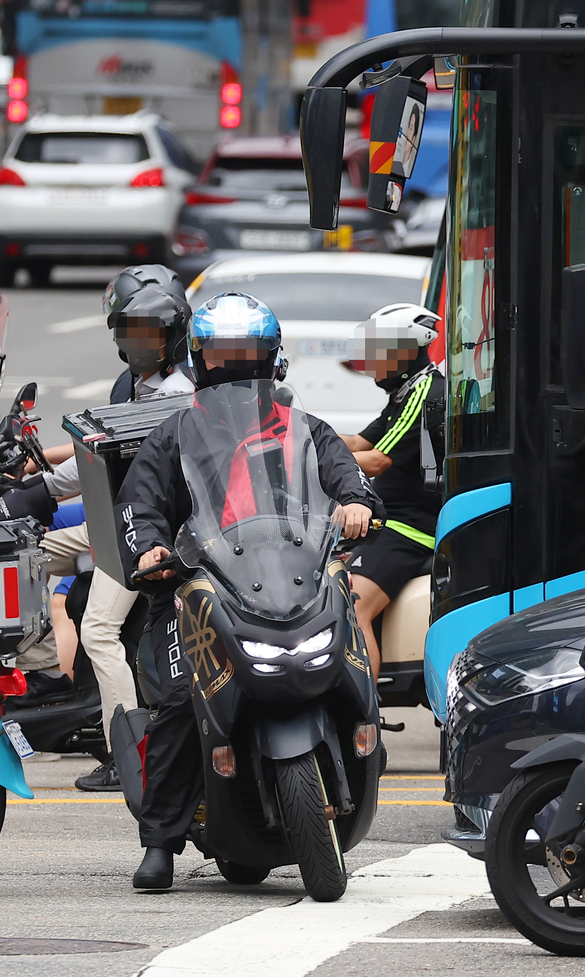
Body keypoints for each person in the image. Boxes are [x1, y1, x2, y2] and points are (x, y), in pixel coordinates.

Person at [116, 293, 381, 891]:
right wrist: (150, 551)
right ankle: (159, 840)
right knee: (183, 699)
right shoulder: (176, 432)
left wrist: (359, 504)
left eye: (247, 353)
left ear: (271, 357)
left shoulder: (303, 428)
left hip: (295, 574)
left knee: (349, 663)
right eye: (222, 353)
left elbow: (346, 476)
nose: (235, 364)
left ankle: (360, 754)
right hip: (197, 584)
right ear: (200, 357)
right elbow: (139, 504)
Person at [12, 264, 196, 790]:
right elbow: (99, 455)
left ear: (174, 332)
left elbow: (130, 470)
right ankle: (46, 672)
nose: (138, 345)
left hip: (146, 533)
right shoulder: (132, 385)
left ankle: (128, 753)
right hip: (110, 522)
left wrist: (45, 485)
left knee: (97, 629)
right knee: (22, 554)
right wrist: (33, 481)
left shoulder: (175, 395)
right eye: (128, 332)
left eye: (150, 335)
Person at [339, 302, 446, 676]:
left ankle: (361, 715)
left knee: (353, 606)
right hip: (389, 521)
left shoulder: (426, 393)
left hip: (409, 527)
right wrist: (297, 434)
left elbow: (379, 460)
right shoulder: (405, 393)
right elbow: (357, 443)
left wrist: (322, 461)